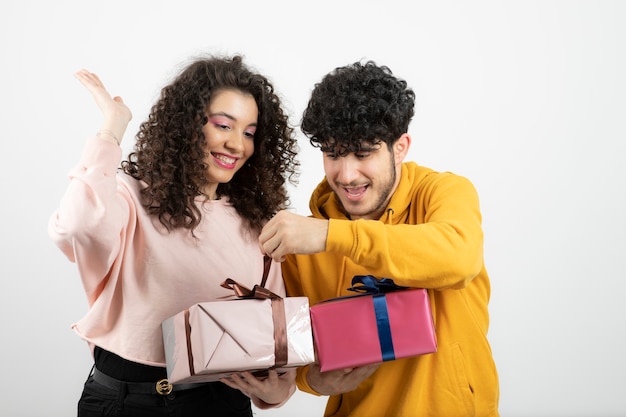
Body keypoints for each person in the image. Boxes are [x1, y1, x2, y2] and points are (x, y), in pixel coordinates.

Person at [48, 54, 300, 417]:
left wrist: (276, 391)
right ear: (186, 125)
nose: (237, 145)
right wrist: (111, 129)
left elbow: (272, 338)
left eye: (248, 132)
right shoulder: (129, 196)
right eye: (223, 125)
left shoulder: (259, 223)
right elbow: (76, 226)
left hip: (218, 404)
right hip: (123, 402)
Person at [259, 60, 500, 417]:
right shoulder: (305, 241)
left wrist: (333, 236)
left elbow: (458, 258)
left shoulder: (444, 192)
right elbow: (299, 360)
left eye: (363, 153)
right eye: (333, 153)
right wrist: (314, 382)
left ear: (399, 147)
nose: (347, 174)